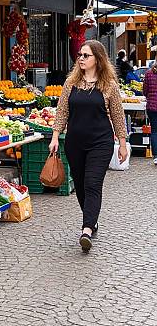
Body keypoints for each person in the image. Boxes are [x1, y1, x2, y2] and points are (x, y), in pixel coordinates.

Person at [50, 40, 128, 253]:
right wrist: (55, 136)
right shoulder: (71, 83)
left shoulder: (109, 85)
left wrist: (122, 144)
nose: (81, 59)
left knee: (93, 183)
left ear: (98, 59)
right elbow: (62, 111)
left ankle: (86, 229)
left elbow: (118, 117)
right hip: (74, 143)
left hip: (100, 143)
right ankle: (92, 220)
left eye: (86, 55)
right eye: (80, 55)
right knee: (82, 186)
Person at [143, 63, 157, 164]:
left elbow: (145, 91)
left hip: (152, 106)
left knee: (154, 131)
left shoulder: (148, 73)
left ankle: (156, 156)